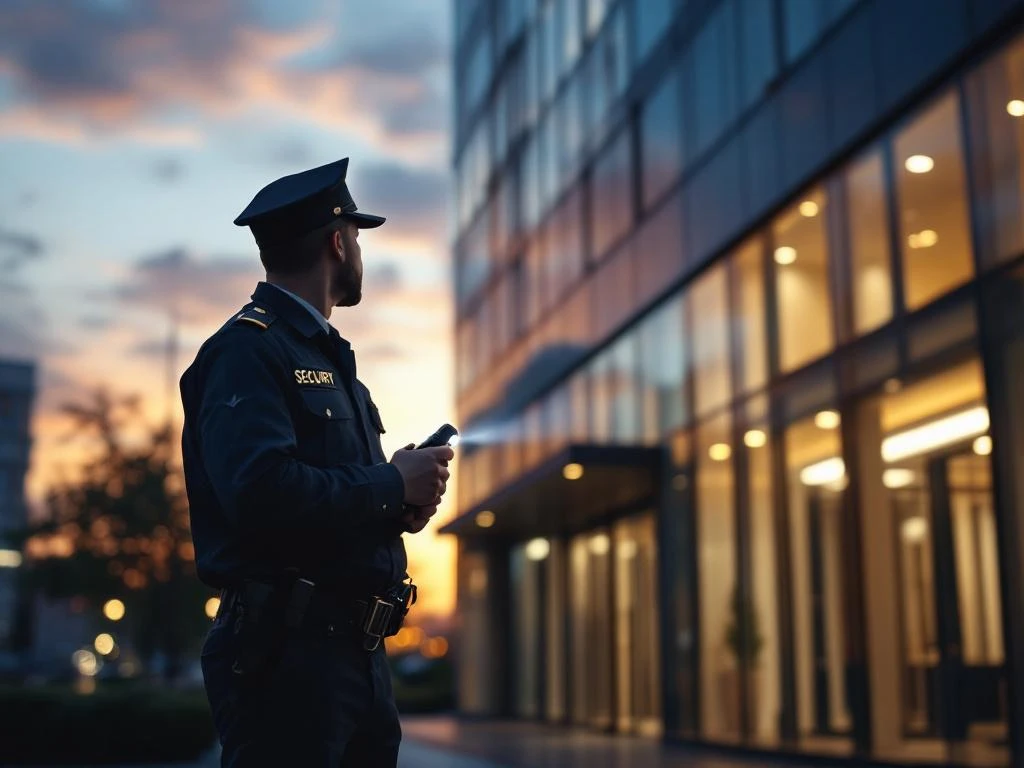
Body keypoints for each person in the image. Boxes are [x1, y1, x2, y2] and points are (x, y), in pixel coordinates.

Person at [179, 157, 453, 767]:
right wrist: (388, 482)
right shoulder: (246, 352)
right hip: (289, 661)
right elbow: (259, 492)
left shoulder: (332, 364)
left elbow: (330, 496)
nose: (359, 251)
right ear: (337, 241)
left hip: (356, 656)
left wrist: (401, 501)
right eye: (356, 237)